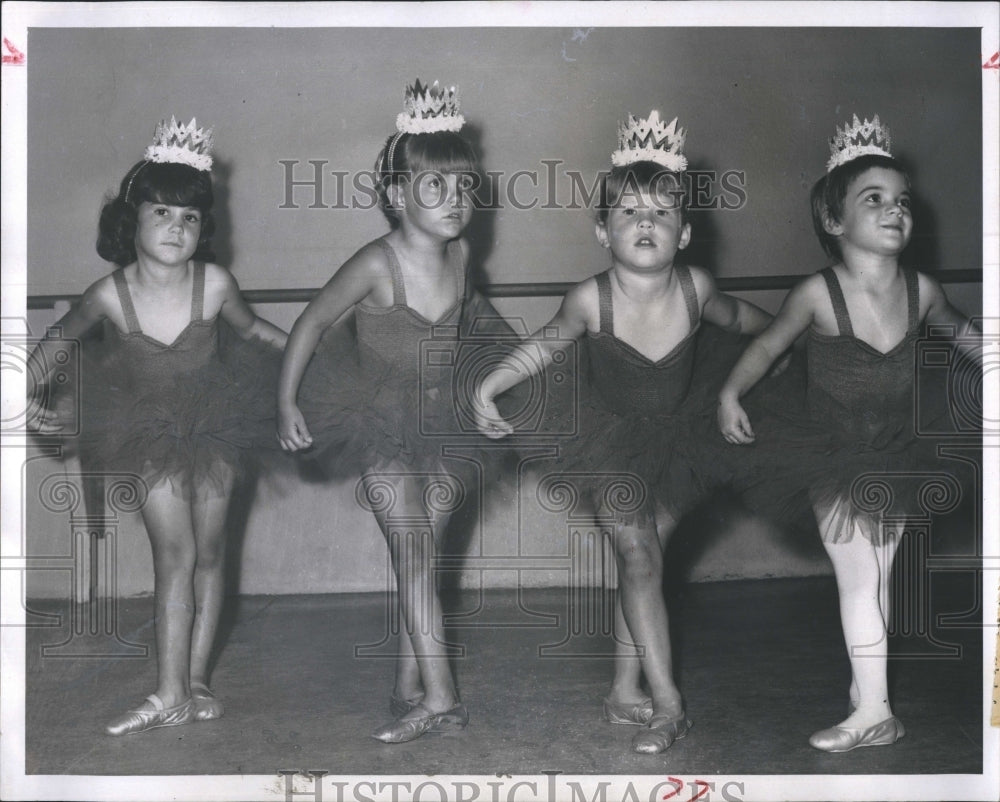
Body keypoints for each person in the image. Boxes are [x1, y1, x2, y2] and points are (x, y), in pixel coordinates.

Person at [475, 111, 775, 754]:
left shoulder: (697, 288)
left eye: (662, 214)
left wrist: (792, 337)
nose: (646, 223)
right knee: (640, 557)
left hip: (680, 440)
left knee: (645, 566)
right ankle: (668, 703)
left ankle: (622, 691)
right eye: (629, 213)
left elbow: (747, 319)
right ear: (601, 230)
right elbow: (543, 346)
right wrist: (489, 385)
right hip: (605, 441)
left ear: (685, 232)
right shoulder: (590, 298)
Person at [717, 114, 979, 752]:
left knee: (878, 581)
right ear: (835, 222)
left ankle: (870, 695)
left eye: (902, 201)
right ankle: (876, 715)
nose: (895, 211)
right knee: (860, 580)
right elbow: (768, 347)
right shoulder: (817, 291)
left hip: (902, 453)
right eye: (875, 199)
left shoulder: (923, 289)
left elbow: (970, 338)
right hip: (831, 455)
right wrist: (730, 392)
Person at [27, 117, 288, 735]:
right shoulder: (108, 295)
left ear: (205, 229)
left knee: (211, 554)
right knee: (175, 554)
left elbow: (258, 334)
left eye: (191, 217)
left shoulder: (216, 283)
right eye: (162, 212)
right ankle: (167, 691)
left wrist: (312, 357)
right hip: (145, 435)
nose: (177, 227)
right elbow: (47, 354)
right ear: (131, 220)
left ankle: (195, 681)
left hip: (218, 427)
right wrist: (27, 398)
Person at [277, 80, 492, 744]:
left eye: (464, 188)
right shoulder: (376, 263)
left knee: (424, 559)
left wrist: (493, 384)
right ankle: (442, 700)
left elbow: (471, 320)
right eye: (436, 188)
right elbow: (310, 324)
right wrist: (285, 399)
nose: (455, 202)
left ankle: (408, 684)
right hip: (380, 430)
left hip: (447, 426)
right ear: (396, 196)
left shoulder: (463, 256)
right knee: (415, 556)